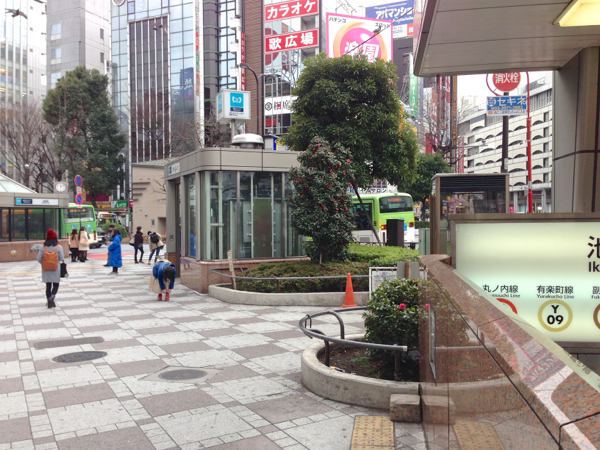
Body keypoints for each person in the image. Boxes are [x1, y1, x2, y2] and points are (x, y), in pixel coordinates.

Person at [37, 229, 64, 308]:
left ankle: (49, 301)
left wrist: (45, 263)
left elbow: (38, 258)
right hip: (55, 269)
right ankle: (52, 297)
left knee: (48, 286)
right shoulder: (59, 247)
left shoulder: (43, 247)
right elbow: (62, 258)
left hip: (46, 270)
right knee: (56, 285)